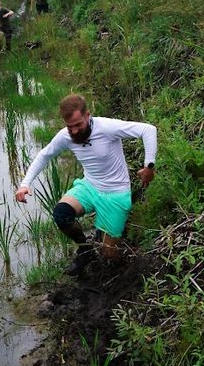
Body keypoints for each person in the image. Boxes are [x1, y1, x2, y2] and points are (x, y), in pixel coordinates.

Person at [15, 94, 157, 275]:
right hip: (89, 187)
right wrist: (25, 183)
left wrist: (149, 167)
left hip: (116, 193)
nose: (74, 131)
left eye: (78, 125)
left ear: (87, 115)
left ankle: (123, 274)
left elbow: (148, 130)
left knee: (109, 255)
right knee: (62, 214)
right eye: (69, 127)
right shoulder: (66, 136)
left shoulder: (106, 127)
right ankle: (85, 248)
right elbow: (45, 154)